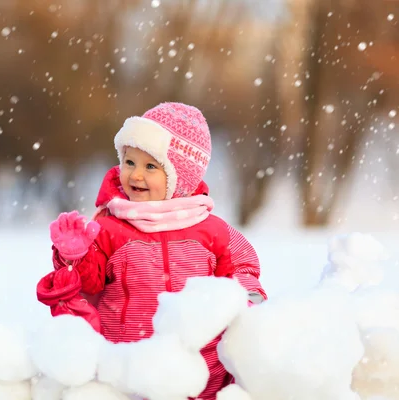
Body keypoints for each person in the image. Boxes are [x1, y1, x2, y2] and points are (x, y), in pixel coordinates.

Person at [37, 102, 267, 399]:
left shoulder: (212, 231)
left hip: (201, 374)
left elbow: (242, 270)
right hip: (127, 368)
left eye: (150, 167)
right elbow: (88, 284)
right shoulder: (110, 228)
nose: (135, 175)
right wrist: (74, 256)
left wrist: (245, 303)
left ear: (179, 177)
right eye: (129, 162)